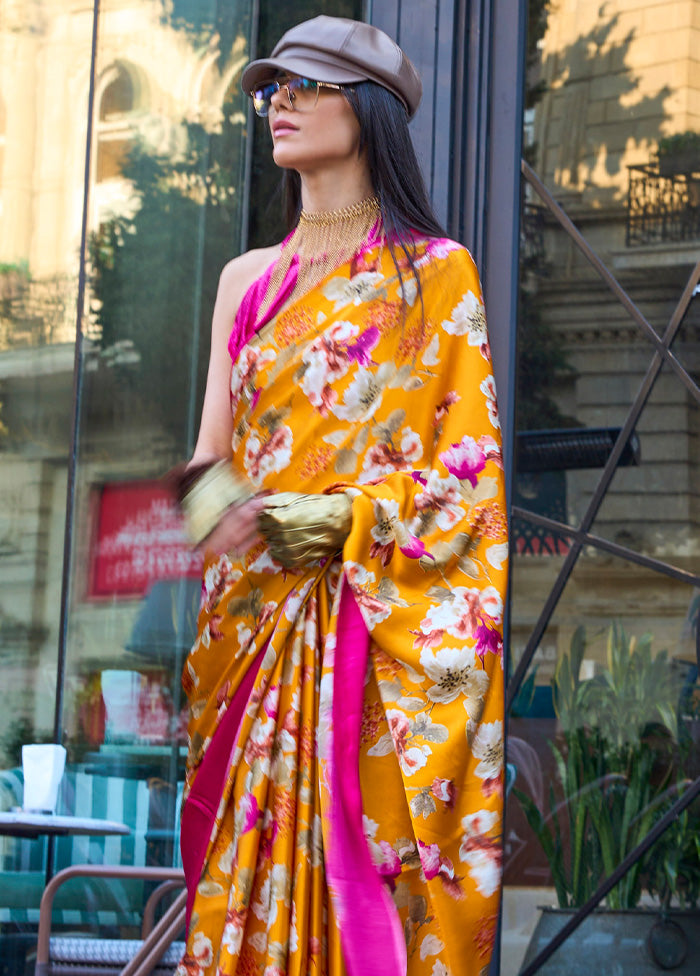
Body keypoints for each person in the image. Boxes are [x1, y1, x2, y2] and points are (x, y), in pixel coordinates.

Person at [174, 15, 507, 976]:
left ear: (367, 112)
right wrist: (226, 517)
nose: (279, 101)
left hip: (374, 643)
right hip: (260, 640)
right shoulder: (247, 281)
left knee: (365, 897)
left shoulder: (436, 277)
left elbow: (470, 478)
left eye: (304, 85)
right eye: (272, 86)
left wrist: (340, 519)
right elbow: (204, 462)